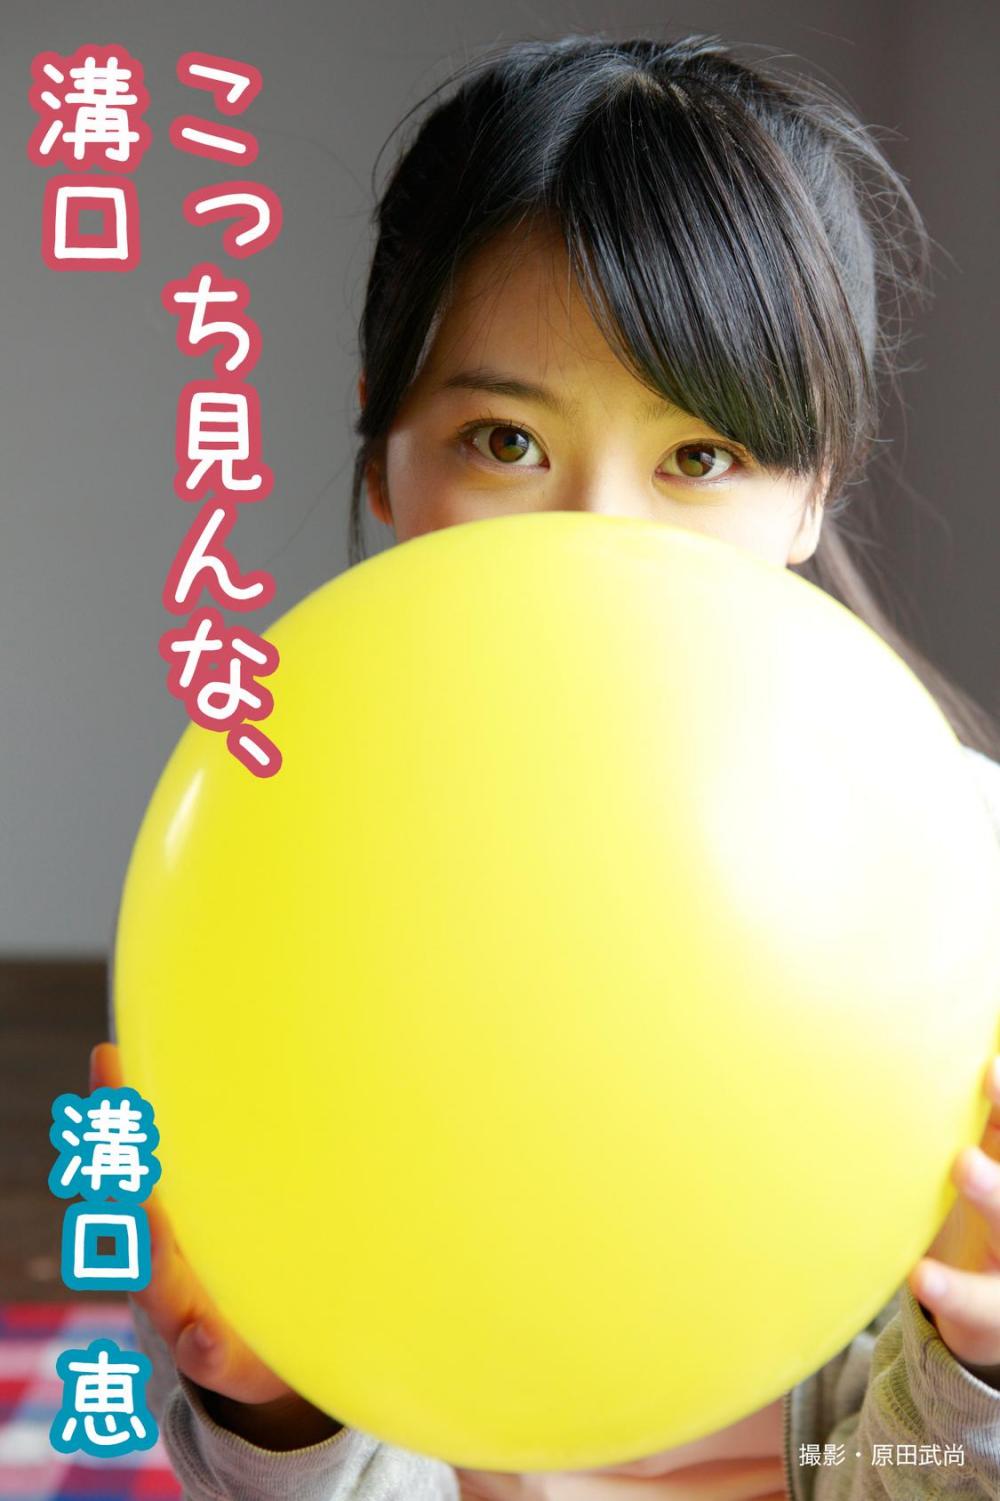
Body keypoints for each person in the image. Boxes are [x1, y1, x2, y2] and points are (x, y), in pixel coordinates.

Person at [96, 31, 1000, 1499]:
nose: (599, 541)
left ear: (813, 491)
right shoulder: (282, 867)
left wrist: (973, 1374)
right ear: (384, 460)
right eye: (506, 440)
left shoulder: (959, 895)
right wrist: (279, 1414)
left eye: (699, 458)